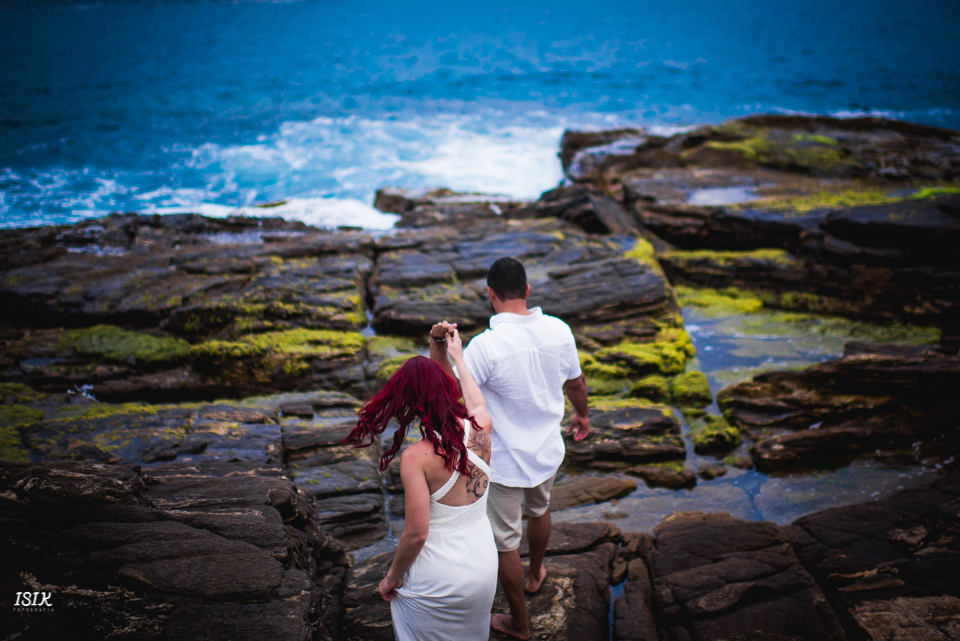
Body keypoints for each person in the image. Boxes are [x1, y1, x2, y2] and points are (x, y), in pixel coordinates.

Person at [429, 257, 590, 640]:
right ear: (527, 291)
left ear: (490, 294)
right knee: (540, 510)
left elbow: (451, 392)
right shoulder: (559, 329)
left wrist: (441, 348)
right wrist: (582, 416)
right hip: (548, 451)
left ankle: (520, 624)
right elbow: (577, 383)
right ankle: (537, 573)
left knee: (504, 544)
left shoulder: (486, 346)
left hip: (503, 463)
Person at [343, 326, 497, 641]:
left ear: (408, 403)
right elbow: (474, 400)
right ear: (448, 387)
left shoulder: (416, 458)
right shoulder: (481, 428)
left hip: (439, 579)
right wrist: (456, 355)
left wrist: (391, 578)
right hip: (482, 565)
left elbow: (416, 534)